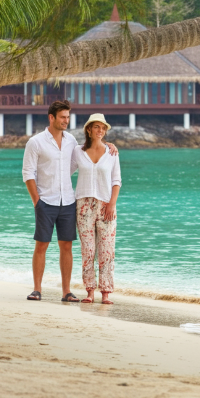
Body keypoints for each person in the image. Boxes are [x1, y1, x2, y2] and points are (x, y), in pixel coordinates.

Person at [22, 101, 117, 302]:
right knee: (42, 245)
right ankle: (37, 289)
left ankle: (66, 292)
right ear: (52, 118)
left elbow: (87, 154)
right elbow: (28, 173)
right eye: (63, 117)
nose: (66, 121)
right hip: (45, 201)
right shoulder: (35, 142)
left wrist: (110, 145)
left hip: (68, 201)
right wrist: (36, 201)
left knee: (66, 246)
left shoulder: (71, 141)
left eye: (68, 117)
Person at [71, 114, 121, 305]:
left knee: (107, 251)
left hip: (106, 206)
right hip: (83, 206)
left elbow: (116, 180)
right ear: (89, 130)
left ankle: (106, 292)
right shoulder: (77, 152)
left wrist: (112, 204)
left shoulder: (112, 153)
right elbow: (65, 172)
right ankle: (90, 291)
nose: (100, 130)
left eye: (103, 127)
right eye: (96, 127)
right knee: (88, 250)